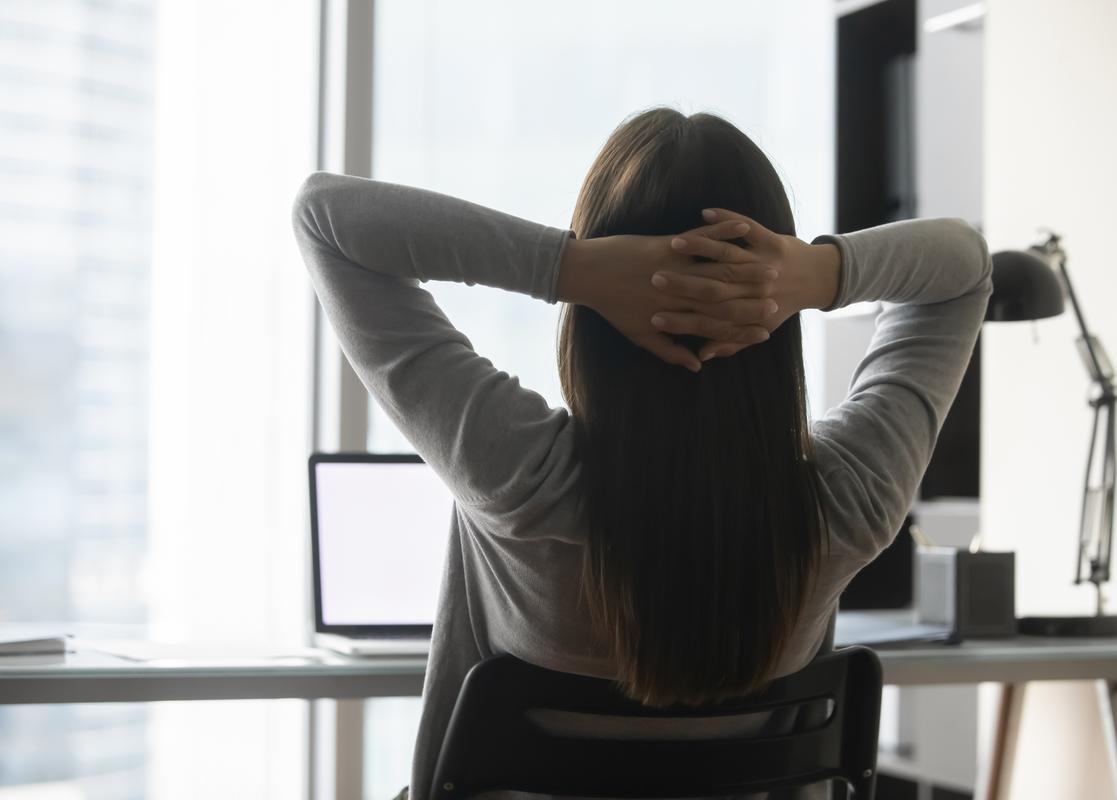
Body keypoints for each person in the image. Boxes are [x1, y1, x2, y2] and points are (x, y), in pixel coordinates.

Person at [292, 107, 992, 800]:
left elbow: (325, 216)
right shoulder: (849, 502)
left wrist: (568, 267)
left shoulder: (518, 473)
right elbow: (964, 266)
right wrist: (818, 273)